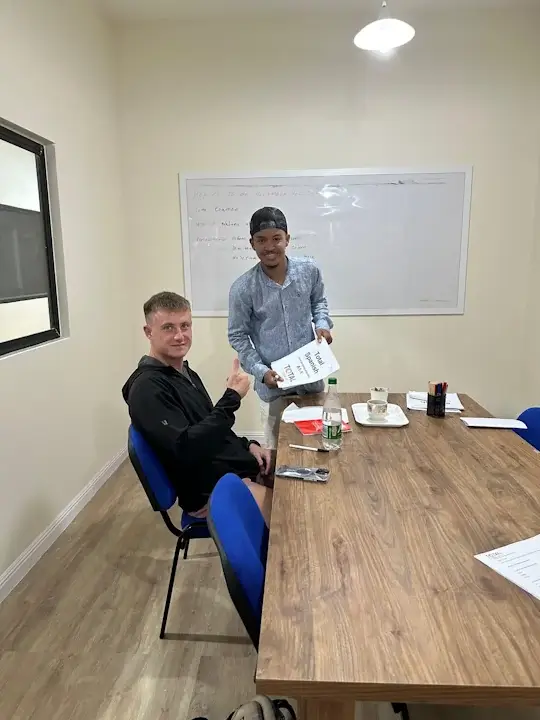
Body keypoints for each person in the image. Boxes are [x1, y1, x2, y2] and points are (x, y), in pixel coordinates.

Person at [122, 291, 272, 525]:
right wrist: (232, 398)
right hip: (211, 488)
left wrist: (248, 445)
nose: (179, 336)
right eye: (168, 328)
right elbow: (186, 448)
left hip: (232, 468)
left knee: (302, 479)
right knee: (293, 515)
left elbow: (210, 428)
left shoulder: (184, 373)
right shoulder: (147, 389)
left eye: (185, 326)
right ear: (148, 332)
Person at [228, 207, 333, 449]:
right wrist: (261, 371)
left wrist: (322, 325)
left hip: (311, 382)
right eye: (261, 240)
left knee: (318, 446)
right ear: (252, 243)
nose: (269, 247)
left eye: (276, 238)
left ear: (287, 239)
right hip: (274, 388)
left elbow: (319, 302)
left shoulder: (309, 271)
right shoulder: (243, 288)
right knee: (278, 453)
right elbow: (237, 336)